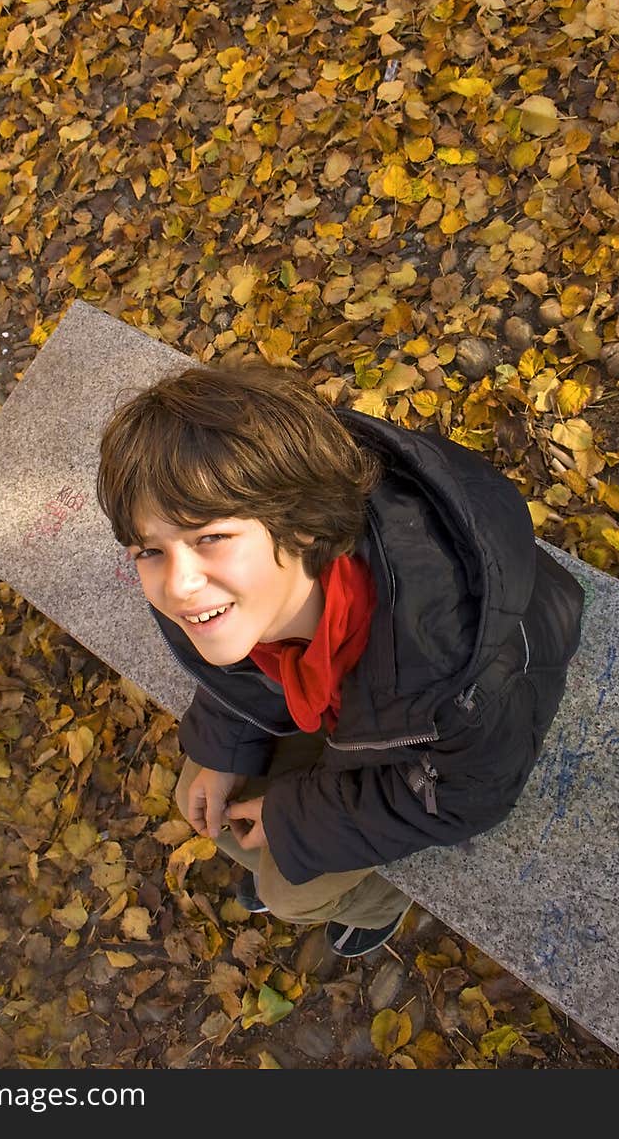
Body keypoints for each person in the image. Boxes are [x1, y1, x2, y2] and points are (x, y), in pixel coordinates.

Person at [96, 362, 584, 958]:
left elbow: (466, 796)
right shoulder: (241, 595)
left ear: (298, 526)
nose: (178, 585)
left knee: (289, 893)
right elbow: (247, 668)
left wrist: (294, 818)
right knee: (202, 789)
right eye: (149, 550)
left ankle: (378, 904)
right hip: (347, 703)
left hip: (425, 748)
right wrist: (225, 748)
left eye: (210, 538)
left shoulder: (455, 671)